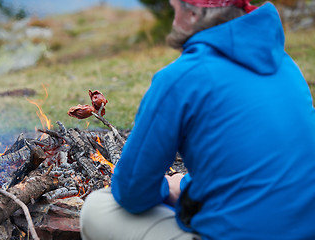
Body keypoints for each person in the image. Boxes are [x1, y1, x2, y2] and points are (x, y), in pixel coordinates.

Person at [80, 0, 315, 239]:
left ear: (193, 13)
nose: (173, 20)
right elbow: (254, 161)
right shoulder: (286, 66)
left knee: (98, 207)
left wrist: (167, 188)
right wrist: (184, 186)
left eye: (176, 9)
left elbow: (132, 192)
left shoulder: (181, 78)